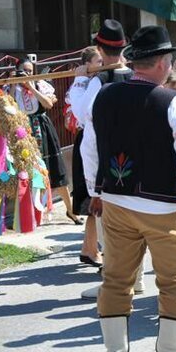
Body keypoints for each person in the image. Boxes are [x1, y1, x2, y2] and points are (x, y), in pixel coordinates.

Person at [86, 25, 176, 352]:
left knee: (116, 279)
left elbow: (90, 148)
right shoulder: (172, 102)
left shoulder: (105, 95)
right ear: (160, 62)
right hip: (165, 206)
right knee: (175, 280)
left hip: (117, 199)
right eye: (168, 57)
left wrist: (97, 190)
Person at [69, 19, 141, 301]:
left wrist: (79, 79)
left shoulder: (100, 80)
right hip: (130, 151)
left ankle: (115, 279)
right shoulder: (134, 75)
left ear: (100, 47)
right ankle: (134, 278)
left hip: (101, 152)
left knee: (105, 214)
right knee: (131, 214)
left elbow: (81, 113)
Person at [6, 58, 80, 225]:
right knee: (27, 172)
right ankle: (28, 214)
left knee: (55, 168)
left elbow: (47, 104)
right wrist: (12, 84)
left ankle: (70, 210)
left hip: (42, 128)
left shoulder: (39, 84)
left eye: (30, 71)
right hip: (22, 130)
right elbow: (9, 107)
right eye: (24, 71)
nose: (27, 74)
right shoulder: (12, 88)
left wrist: (31, 85)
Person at [65, 46, 103, 268]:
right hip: (88, 142)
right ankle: (90, 249)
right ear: (87, 64)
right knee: (94, 200)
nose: (101, 64)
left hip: (98, 140)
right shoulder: (83, 84)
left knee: (96, 203)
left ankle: (88, 249)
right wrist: (80, 80)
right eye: (98, 61)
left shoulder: (101, 80)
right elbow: (79, 111)